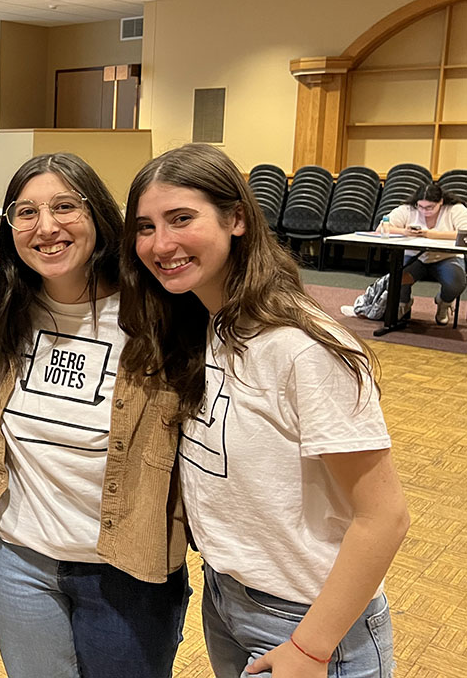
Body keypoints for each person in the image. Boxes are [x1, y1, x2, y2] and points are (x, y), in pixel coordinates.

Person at [121, 143, 409, 678]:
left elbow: (385, 516)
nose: (161, 243)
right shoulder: (211, 321)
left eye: (181, 219)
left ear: (236, 219)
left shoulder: (301, 347)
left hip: (308, 616)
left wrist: (311, 646)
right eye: (144, 226)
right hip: (229, 597)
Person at [0, 153, 188, 678]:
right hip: (19, 558)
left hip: (126, 570)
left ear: (98, 216)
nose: (46, 227)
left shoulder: (161, 313)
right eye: (25, 213)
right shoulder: (3, 311)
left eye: (65, 206)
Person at [382, 182, 467, 325]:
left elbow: (464, 233)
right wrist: (404, 231)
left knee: (456, 283)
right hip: (415, 257)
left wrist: (432, 234)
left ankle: (443, 302)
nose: (424, 211)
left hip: (446, 258)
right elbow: (383, 226)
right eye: (420, 206)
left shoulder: (455, 209)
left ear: (441, 202)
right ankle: (404, 303)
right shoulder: (408, 209)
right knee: (398, 275)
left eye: (430, 207)